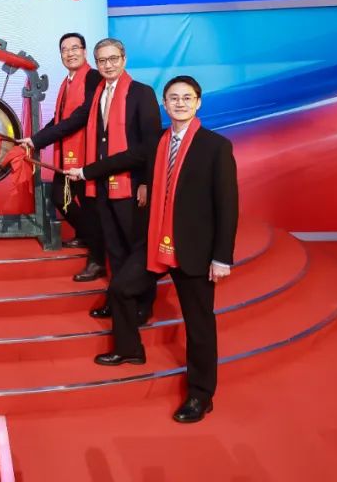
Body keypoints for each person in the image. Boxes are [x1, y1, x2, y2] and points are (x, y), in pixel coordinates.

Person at [68, 75, 238, 423]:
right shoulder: (158, 141)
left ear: (198, 102)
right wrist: (84, 172)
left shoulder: (216, 147)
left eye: (187, 98)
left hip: (194, 249)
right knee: (121, 288)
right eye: (173, 98)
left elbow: (228, 206)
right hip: (156, 241)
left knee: (199, 326)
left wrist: (221, 257)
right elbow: (123, 158)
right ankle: (130, 349)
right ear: (164, 103)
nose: (180, 103)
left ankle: (200, 395)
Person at [24, 38, 161, 320]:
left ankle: (144, 304)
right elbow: (74, 122)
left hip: (131, 184)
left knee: (135, 248)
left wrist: (147, 183)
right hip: (100, 184)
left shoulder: (141, 93)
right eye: (103, 61)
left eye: (113, 59)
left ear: (124, 59)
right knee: (115, 249)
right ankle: (119, 301)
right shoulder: (98, 95)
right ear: (96, 62)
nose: (108, 65)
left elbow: (150, 147)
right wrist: (34, 140)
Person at [16, 32, 105, 282]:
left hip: (87, 155)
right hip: (66, 155)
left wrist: (39, 140)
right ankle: (87, 235)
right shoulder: (67, 82)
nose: (70, 53)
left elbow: (82, 116)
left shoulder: (93, 77)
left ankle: (98, 259)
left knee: (90, 207)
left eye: (75, 48)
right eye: (65, 50)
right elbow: (59, 119)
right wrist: (34, 139)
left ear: (84, 52)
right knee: (59, 197)